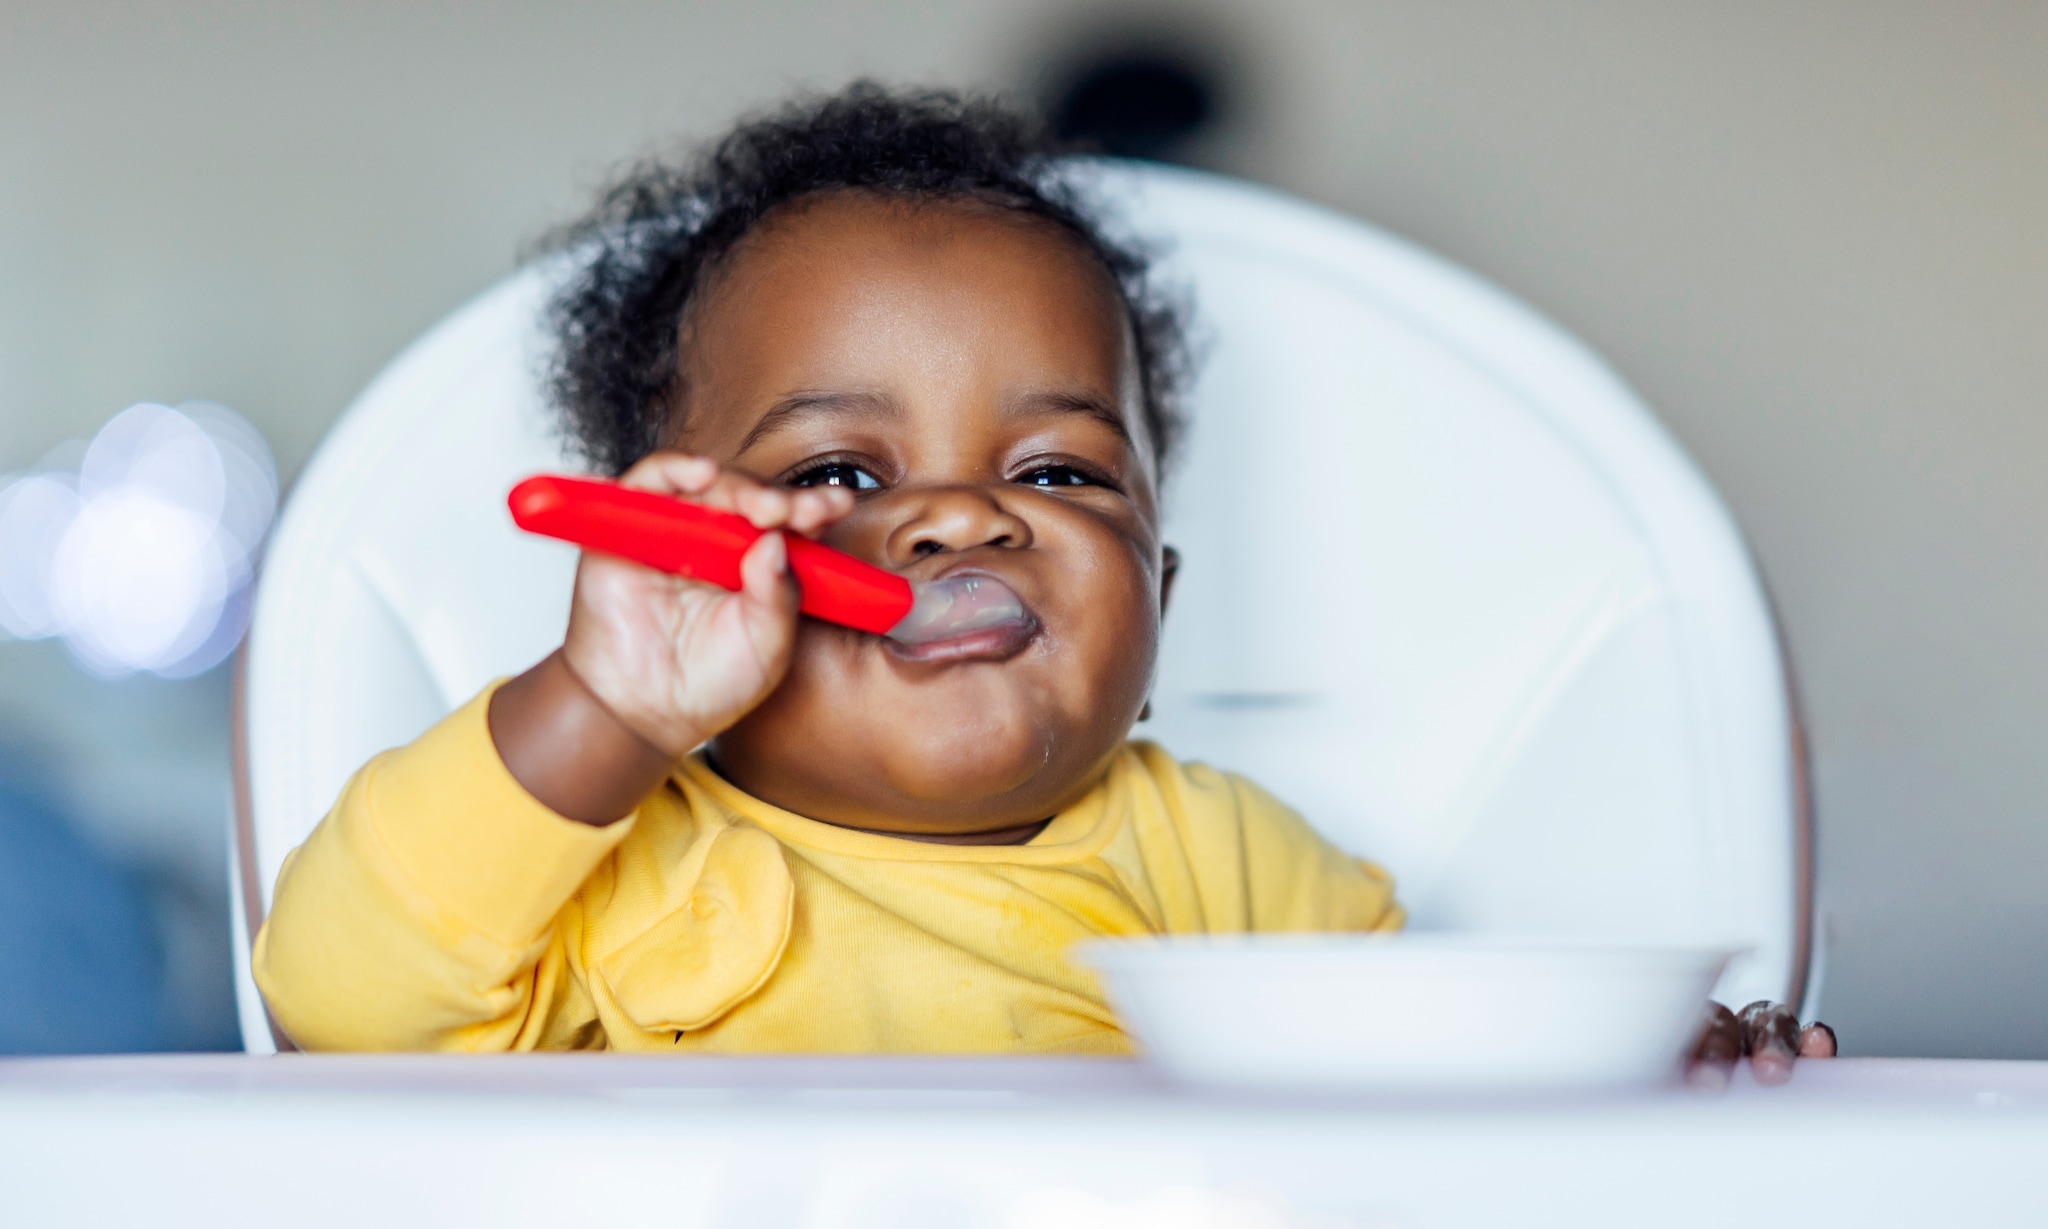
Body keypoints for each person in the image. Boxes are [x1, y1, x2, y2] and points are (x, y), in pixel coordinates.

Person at [253, 84, 1833, 1076]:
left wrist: (1659, 1071)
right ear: (681, 567)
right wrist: (600, 708)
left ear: (1163, 588)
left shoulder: (1222, 862)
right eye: (840, 477)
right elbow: (335, 996)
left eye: (1059, 473)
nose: (959, 523)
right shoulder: (609, 866)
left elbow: (1416, 1097)